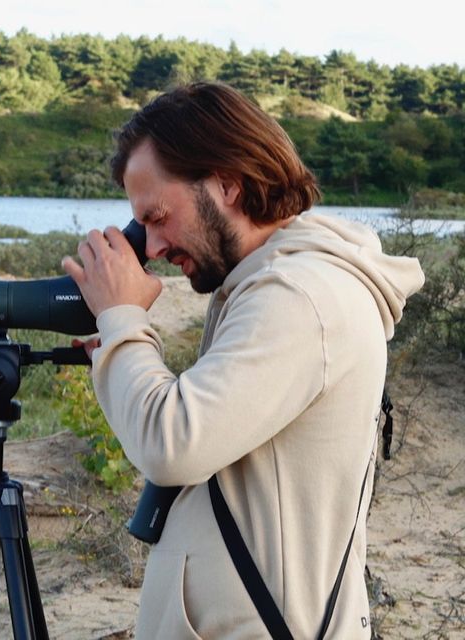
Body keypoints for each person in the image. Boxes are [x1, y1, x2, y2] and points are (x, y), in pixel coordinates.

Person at [62, 82, 425, 638]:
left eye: (157, 216)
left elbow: (172, 445)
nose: (152, 247)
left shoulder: (298, 296)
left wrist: (123, 320)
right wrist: (116, 354)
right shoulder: (266, 284)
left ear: (227, 183)